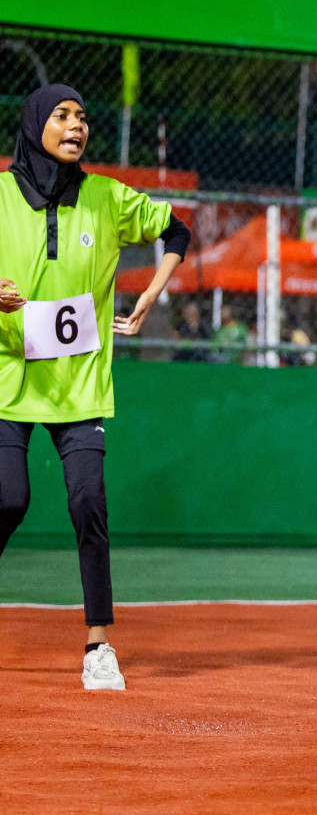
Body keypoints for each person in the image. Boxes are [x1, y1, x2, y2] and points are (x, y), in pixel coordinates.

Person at [0, 84, 189, 691]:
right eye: (62, 115)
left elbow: (177, 231)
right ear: (35, 125)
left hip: (79, 386)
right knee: (8, 500)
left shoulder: (109, 197)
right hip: (7, 380)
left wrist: (150, 293)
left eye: (83, 116)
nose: (76, 125)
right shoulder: (1, 196)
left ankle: (99, 646)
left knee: (89, 505)